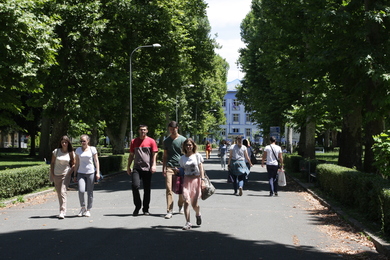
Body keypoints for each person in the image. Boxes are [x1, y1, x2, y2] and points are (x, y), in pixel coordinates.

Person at [127, 125, 158, 216]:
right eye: (141, 130)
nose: (142, 131)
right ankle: (137, 206)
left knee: (147, 189)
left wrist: (154, 165)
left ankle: (145, 209)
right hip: (137, 168)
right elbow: (131, 155)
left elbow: (154, 154)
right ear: (138, 131)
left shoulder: (151, 141)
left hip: (147, 168)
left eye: (144, 130)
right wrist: (128, 166)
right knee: (135, 185)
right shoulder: (134, 141)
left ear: (147, 131)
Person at [179, 138, 205, 230]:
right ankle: (188, 222)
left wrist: (202, 180)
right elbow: (181, 170)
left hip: (196, 181)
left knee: (194, 204)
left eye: (190, 145)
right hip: (186, 181)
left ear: (193, 146)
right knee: (186, 201)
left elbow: (201, 168)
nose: (188, 147)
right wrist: (177, 171)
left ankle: (198, 214)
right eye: (187, 145)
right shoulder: (182, 158)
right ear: (184, 147)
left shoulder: (197, 156)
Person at [162, 121, 186, 219]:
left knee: (180, 190)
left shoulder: (183, 140)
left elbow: (186, 154)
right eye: (170, 129)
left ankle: (180, 205)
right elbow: (165, 155)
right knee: (169, 189)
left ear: (177, 128)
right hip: (169, 167)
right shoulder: (166, 141)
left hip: (180, 167)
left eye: (174, 129)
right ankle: (169, 210)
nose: (172, 131)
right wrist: (164, 167)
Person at [74, 134, 100, 217]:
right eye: (81, 141)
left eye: (84, 141)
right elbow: (77, 162)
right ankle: (82, 208)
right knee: (81, 191)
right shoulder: (78, 150)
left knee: (90, 192)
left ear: (88, 141)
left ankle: (89, 209)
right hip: (81, 172)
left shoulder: (92, 149)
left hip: (90, 172)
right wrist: (74, 174)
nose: (82, 142)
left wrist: (97, 172)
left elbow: (96, 161)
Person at [50, 135, 75, 219]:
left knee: (63, 191)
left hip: (66, 174)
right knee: (59, 193)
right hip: (57, 174)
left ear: (68, 143)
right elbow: (52, 163)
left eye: (66, 142)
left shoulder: (71, 153)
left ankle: (62, 211)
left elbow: (73, 164)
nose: (64, 144)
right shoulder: (56, 151)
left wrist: (70, 172)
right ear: (60, 143)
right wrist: (52, 174)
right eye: (62, 142)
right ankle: (62, 208)